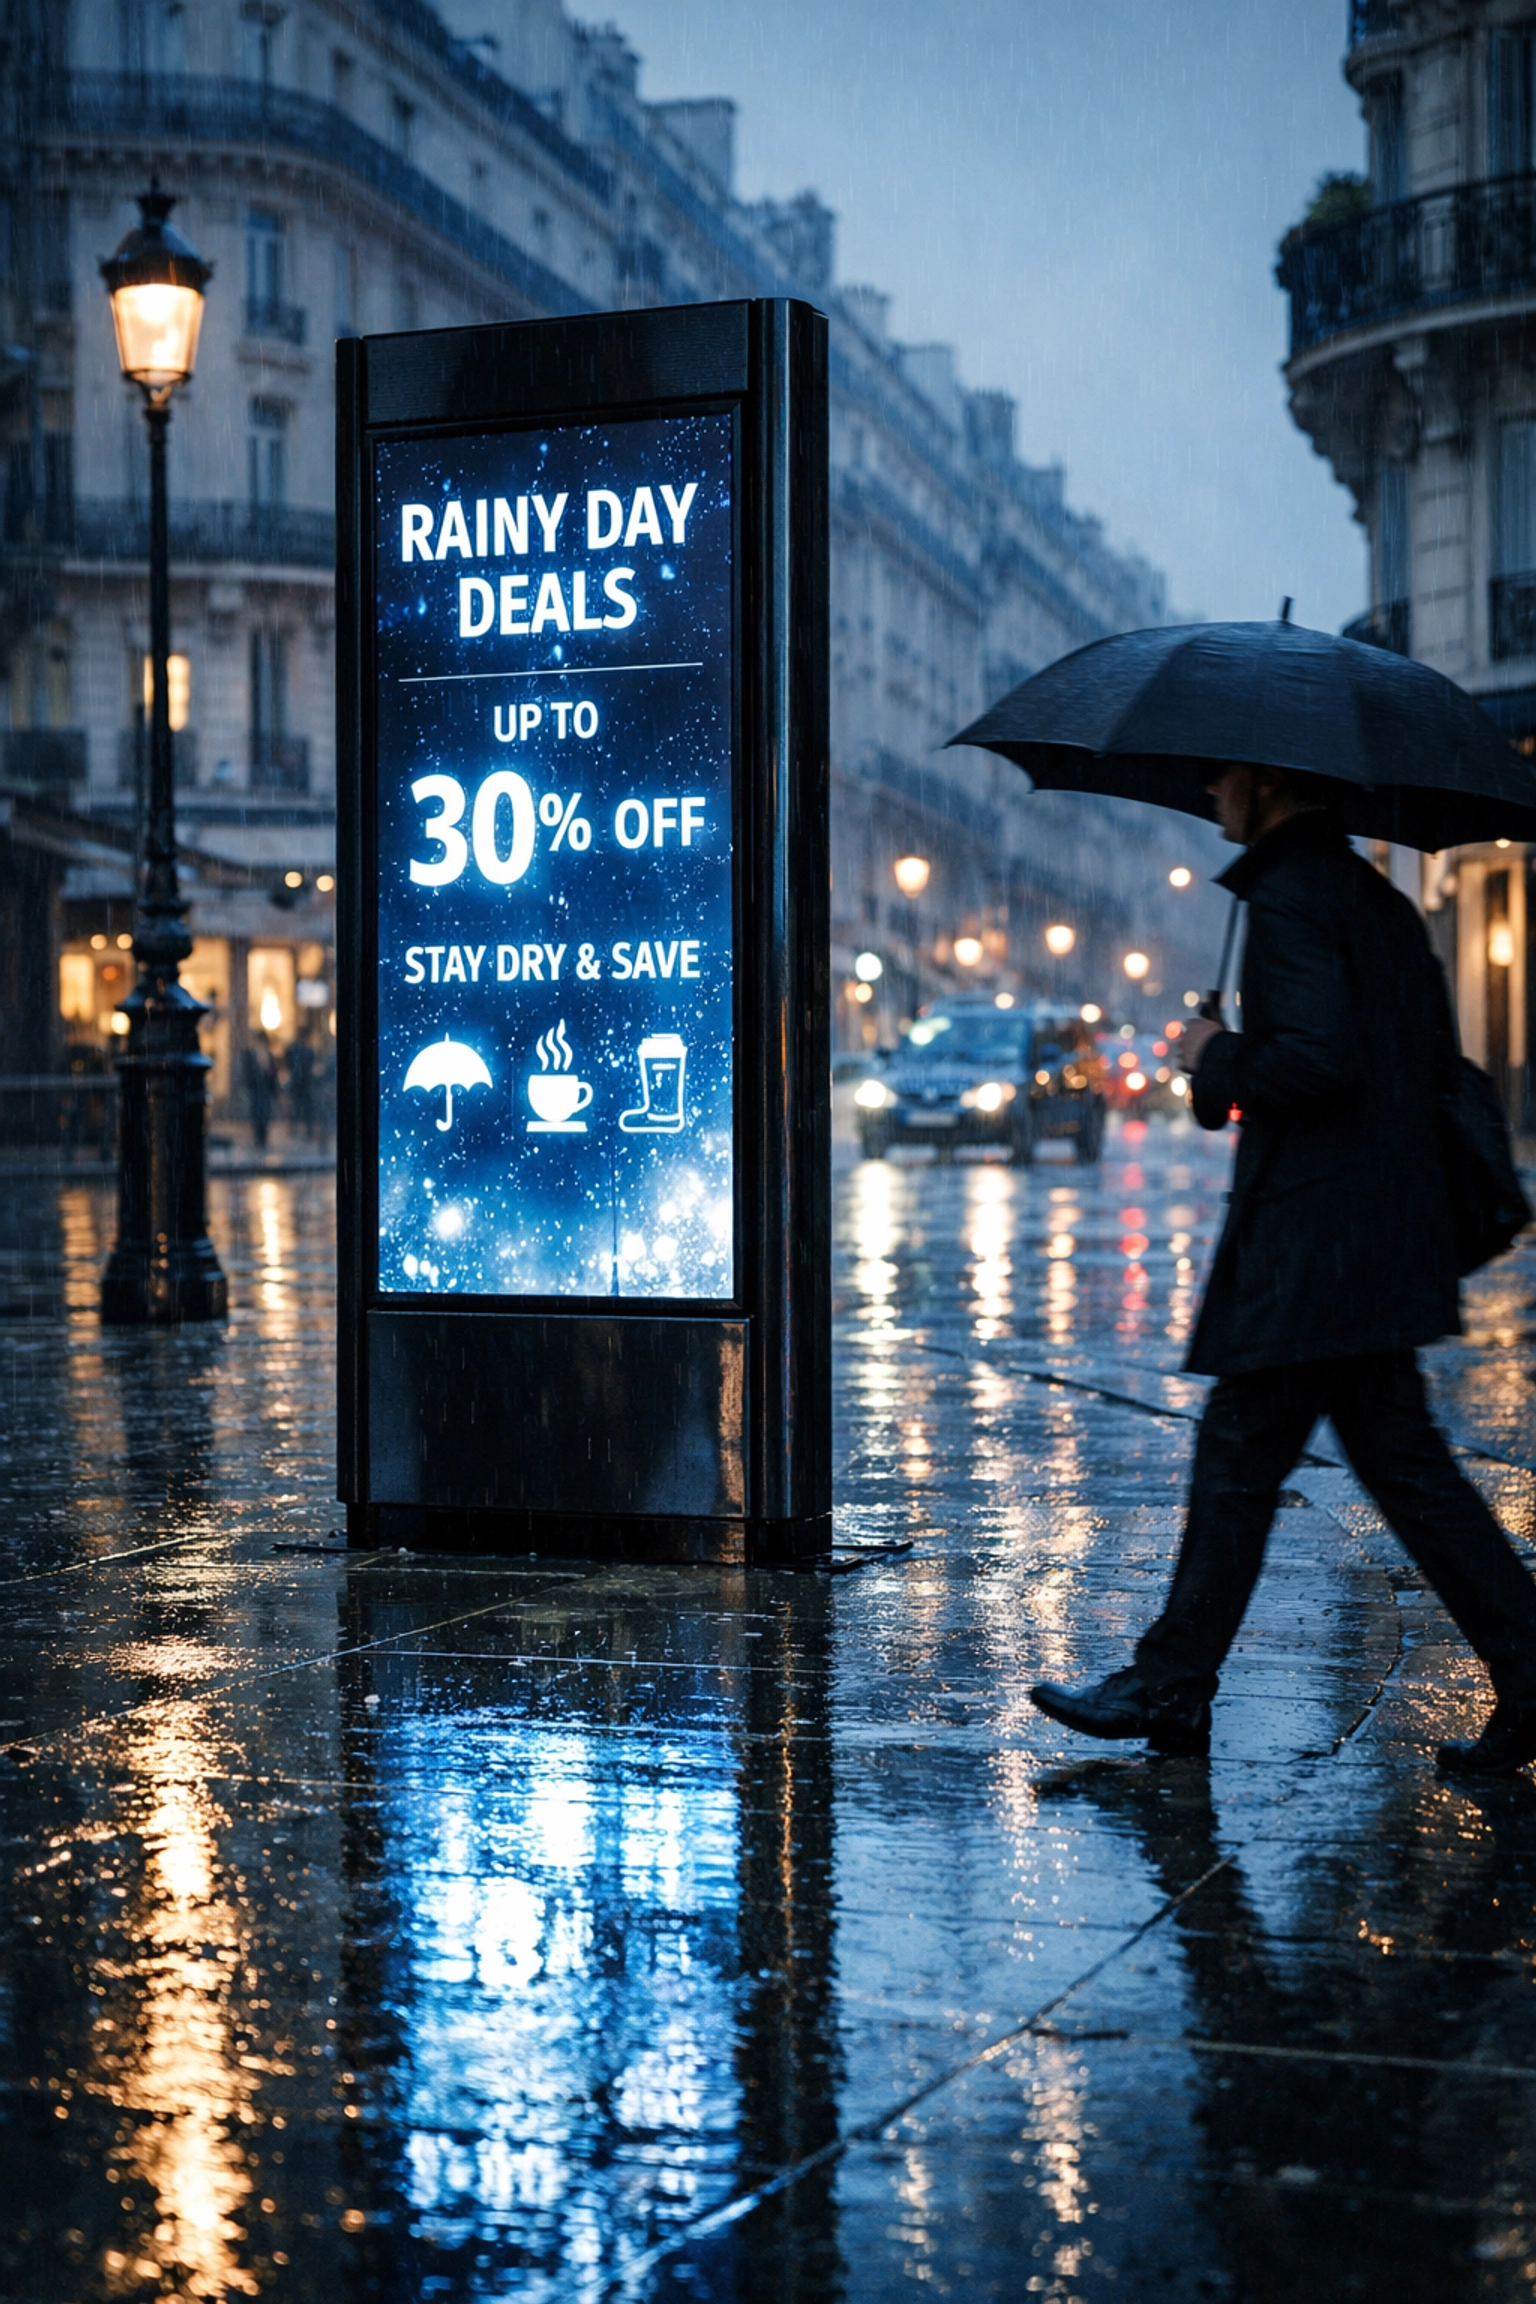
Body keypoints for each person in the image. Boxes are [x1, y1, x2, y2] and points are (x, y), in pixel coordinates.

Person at [1031, 760, 1536, 1775]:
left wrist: (1217, 1052)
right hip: (1368, 1240)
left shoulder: (1292, 896)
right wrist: (1221, 1062)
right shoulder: (1376, 902)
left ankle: (1170, 1684)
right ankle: (1176, 1682)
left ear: (1267, 786)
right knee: (1373, 1467)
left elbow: (1317, 1058)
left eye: (1224, 779)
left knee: (1251, 1457)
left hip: (1318, 1248)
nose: (1210, 792)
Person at [241, 1040, 277, 1151]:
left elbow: (273, 1075)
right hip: (256, 1091)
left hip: (265, 1092)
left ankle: (263, 1138)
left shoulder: (268, 1056)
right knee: (257, 1115)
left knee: (265, 1115)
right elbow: (248, 1074)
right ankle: (258, 1138)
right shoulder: (251, 1056)